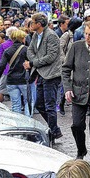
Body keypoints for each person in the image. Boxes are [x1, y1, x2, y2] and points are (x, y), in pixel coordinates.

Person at [62, 20, 90, 171]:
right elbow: (66, 69)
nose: (87, 37)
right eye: (85, 33)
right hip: (78, 93)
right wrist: (67, 88)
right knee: (77, 125)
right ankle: (81, 150)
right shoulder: (76, 46)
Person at [24, 13, 64, 141]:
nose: (30, 25)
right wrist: (35, 60)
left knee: (49, 105)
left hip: (51, 75)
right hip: (41, 73)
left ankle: (53, 131)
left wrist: (32, 63)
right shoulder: (36, 35)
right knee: (39, 104)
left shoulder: (51, 36)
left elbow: (51, 57)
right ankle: (55, 129)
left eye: (32, 22)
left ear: (39, 24)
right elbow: (29, 51)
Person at [0, 30, 30, 116]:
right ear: (21, 38)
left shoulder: (8, 51)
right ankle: (28, 122)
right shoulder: (26, 50)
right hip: (24, 79)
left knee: (15, 104)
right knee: (28, 102)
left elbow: (1, 66)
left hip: (11, 79)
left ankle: (18, 124)